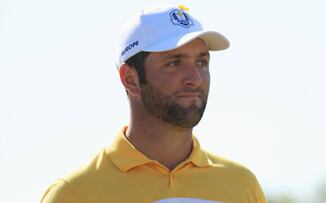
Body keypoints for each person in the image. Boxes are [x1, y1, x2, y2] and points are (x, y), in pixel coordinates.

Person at [41, 5, 267, 203]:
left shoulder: (242, 186)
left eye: (201, 62)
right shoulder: (74, 194)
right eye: (174, 63)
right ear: (130, 79)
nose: (195, 78)